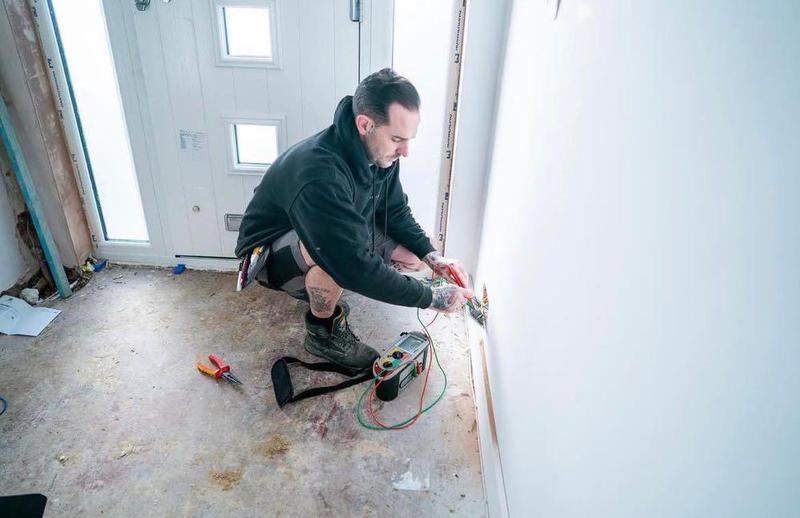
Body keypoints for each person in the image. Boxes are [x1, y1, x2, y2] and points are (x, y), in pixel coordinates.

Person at [235, 68, 472, 372]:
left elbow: (395, 211)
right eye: (397, 139)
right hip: (268, 255)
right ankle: (322, 334)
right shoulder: (320, 174)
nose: (405, 151)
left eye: (408, 139)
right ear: (365, 124)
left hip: (321, 228)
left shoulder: (380, 154)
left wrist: (432, 257)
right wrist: (430, 298)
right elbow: (352, 266)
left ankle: (342, 282)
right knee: (337, 264)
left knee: (413, 256)